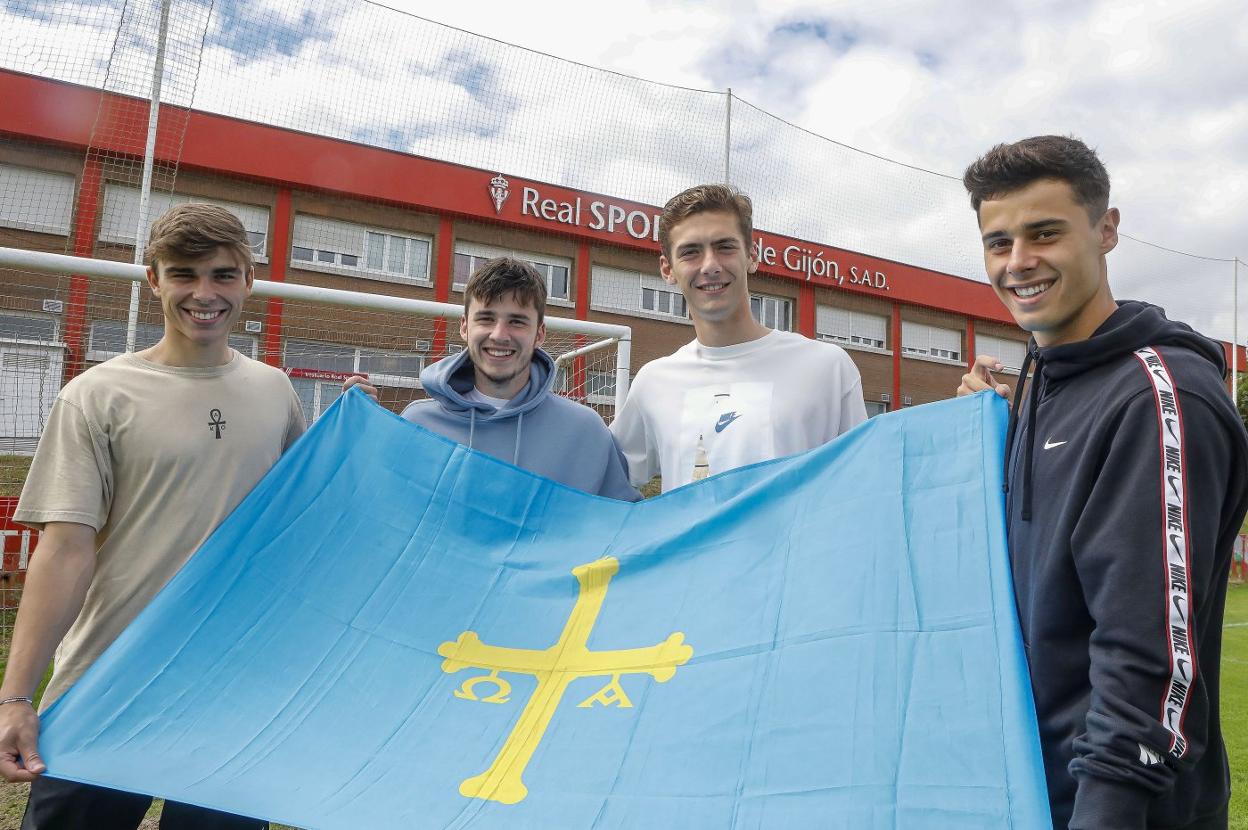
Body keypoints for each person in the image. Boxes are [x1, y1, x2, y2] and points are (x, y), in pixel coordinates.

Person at [957, 135, 1248, 830]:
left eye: (1044, 233)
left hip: (1118, 810)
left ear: (1106, 229)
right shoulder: (1045, 392)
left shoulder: (1159, 395)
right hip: (1030, 795)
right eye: (999, 243)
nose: (1019, 262)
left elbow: (1146, 660)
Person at [0, 204, 306, 829]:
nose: (204, 293)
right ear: (153, 280)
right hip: (108, 683)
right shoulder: (96, 395)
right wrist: (15, 697)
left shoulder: (276, 392)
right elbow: (64, 551)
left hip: (232, 690)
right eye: (184, 274)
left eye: (222, 275)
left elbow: (299, 527)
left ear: (248, 279)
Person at [609, 184, 867, 491]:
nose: (710, 266)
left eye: (725, 247)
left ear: (751, 256)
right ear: (668, 269)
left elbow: (865, 484)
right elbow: (602, 481)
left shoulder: (827, 367)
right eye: (691, 252)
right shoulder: (653, 382)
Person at [348, 256, 637, 500]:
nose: (499, 335)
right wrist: (357, 436)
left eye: (517, 321)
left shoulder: (586, 432)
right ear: (464, 327)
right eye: (486, 318)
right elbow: (381, 514)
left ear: (540, 333)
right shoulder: (418, 425)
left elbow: (624, 530)